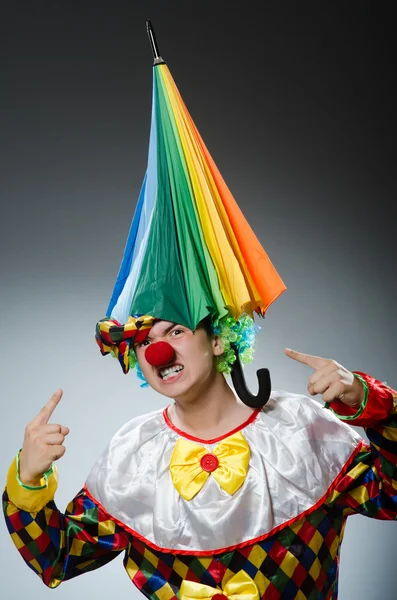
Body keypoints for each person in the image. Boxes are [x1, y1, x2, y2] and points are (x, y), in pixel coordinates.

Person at [3, 316, 396, 599]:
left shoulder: (297, 427)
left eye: (176, 330)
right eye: (144, 342)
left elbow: (391, 494)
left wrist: (371, 402)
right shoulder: (134, 454)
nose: (159, 351)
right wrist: (28, 480)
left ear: (218, 339)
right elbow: (59, 558)